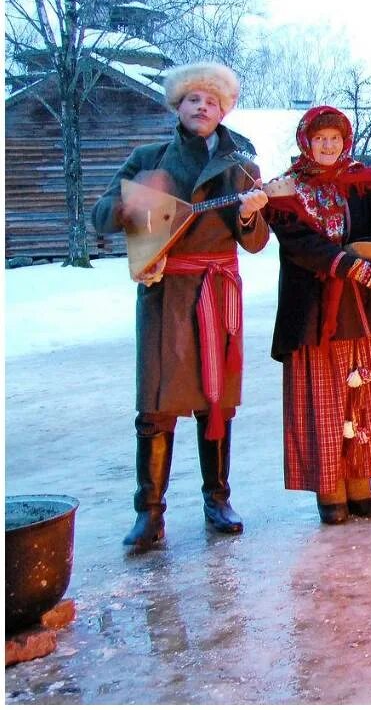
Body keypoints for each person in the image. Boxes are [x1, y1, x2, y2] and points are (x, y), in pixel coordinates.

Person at [91, 61, 269, 551]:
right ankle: (149, 512)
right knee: (156, 403)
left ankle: (217, 500)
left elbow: (254, 243)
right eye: (194, 99)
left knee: (216, 401)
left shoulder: (242, 166)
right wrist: (134, 207)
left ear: (224, 110)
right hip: (163, 293)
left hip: (216, 293)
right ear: (179, 105)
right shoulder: (148, 158)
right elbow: (101, 214)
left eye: (212, 101)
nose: (203, 107)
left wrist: (252, 216)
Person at [265, 106, 371, 524]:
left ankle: (361, 485)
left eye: (335, 139)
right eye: (320, 139)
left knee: (364, 393)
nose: (328, 145)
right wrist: (347, 263)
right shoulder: (286, 189)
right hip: (314, 309)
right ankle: (330, 488)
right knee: (324, 398)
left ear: (345, 141)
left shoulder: (365, 182)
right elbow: (298, 242)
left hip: (362, 304)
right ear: (306, 141)